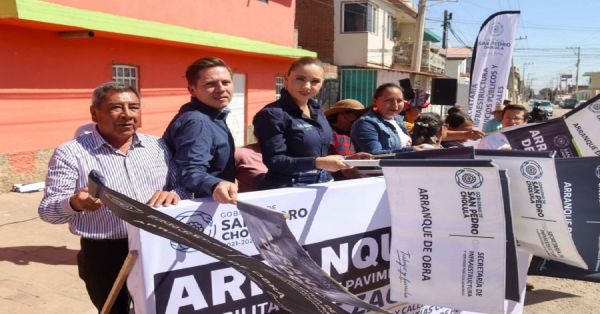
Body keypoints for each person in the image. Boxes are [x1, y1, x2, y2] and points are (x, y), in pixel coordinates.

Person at [38, 82, 185, 314]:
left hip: (156, 245)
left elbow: (180, 185)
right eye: (116, 107)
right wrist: (75, 203)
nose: (127, 114)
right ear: (94, 113)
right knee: (113, 310)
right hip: (104, 253)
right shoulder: (70, 152)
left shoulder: (157, 146)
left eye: (134, 107)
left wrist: (174, 194)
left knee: (161, 307)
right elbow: (47, 211)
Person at [253, 57, 351, 189]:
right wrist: (317, 163)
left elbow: (319, 151)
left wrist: (348, 159)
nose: (307, 86)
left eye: (315, 81)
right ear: (286, 79)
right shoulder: (272, 114)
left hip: (322, 183)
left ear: (322, 83)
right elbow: (275, 161)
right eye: (300, 79)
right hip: (289, 187)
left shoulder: (317, 111)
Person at [163, 56, 237, 203]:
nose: (221, 89)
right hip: (202, 210)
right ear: (192, 90)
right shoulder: (198, 122)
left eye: (226, 82)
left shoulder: (213, 116)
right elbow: (189, 171)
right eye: (210, 84)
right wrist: (215, 184)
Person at [350, 83, 415, 155]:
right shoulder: (365, 124)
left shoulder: (398, 121)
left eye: (399, 101)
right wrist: (412, 150)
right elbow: (373, 155)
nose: (395, 105)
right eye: (389, 100)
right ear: (375, 101)